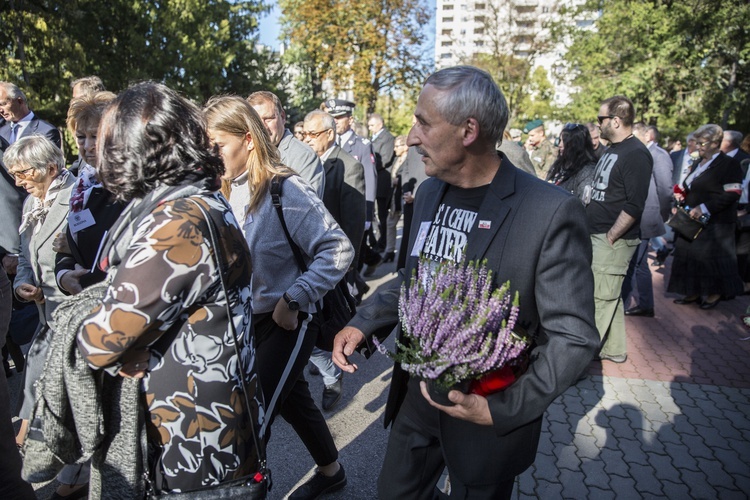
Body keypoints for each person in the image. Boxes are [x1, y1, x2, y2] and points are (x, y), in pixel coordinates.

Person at [332, 65, 599, 499]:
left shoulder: (549, 211)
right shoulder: (431, 191)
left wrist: (502, 409)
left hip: (486, 415)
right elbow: (414, 279)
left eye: (423, 122)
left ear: (468, 130)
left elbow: (572, 336)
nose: (412, 136)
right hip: (417, 398)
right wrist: (364, 320)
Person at [76, 82, 263, 494]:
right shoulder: (202, 199)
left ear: (135, 151)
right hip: (219, 431)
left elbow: (99, 341)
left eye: (109, 143)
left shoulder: (177, 223)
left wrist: (124, 343)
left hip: (196, 448)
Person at [204, 95, 353, 499]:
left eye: (217, 144)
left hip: (285, 323)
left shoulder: (285, 188)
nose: (210, 154)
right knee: (294, 400)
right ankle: (332, 472)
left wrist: (295, 297)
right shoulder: (216, 192)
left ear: (249, 139)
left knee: (251, 424)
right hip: (239, 325)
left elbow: (338, 248)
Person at [5, 136, 82, 497]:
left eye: (23, 173)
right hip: (46, 315)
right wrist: (24, 283)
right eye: (13, 174)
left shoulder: (78, 196)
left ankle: (70, 482)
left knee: (68, 400)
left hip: (76, 316)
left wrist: (61, 283)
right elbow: (24, 257)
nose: (18, 181)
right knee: (37, 389)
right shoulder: (32, 201)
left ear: (50, 167)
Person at [302, 109, 367, 410]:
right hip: (308, 255)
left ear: (329, 133)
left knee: (325, 317)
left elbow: (354, 219)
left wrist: (348, 263)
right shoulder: (303, 162)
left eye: (313, 134)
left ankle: (332, 372)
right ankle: (323, 358)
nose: (307, 139)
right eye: (304, 134)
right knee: (313, 318)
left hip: (333, 258)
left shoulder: (348, 165)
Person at [586, 96, 652, 364]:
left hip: (612, 239)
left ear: (615, 120)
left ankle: (582, 358)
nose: (598, 123)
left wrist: (612, 235)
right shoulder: (613, 148)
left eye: (601, 118)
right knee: (609, 295)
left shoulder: (636, 154)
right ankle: (613, 349)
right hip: (598, 234)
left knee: (600, 299)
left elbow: (635, 204)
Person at [667, 124, 743, 309]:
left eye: (702, 143)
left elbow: (733, 192)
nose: (698, 147)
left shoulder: (728, 164)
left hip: (716, 222)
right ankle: (691, 291)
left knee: (710, 260)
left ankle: (714, 293)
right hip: (692, 221)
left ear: (715, 143)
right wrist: (682, 196)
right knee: (689, 257)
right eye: (696, 142)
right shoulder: (698, 162)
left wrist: (705, 207)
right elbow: (694, 186)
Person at [55, 91, 123, 294]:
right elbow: (66, 245)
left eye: (95, 136)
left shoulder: (130, 186)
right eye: (81, 137)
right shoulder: (83, 186)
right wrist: (63, 276)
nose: (87, 146)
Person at [621, 124, 673, 318]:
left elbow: (665, 189)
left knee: (632, 264)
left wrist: (661, 214)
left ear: (647, 135)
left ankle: (623, 304)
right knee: (641, 264)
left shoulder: (658, 155)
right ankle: (646, 304)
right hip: (638, 215)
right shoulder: (636, 153)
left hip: (646, 217)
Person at [326, 99, 380, 276]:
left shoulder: (362, 145)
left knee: (353, 251)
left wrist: (368, 213)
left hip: (354, 208)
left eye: (339, 118)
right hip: (334, 207)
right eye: (332, 118)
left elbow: (370, 180)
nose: (335, 122)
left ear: (350, 120)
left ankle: (356, 287)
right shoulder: (328, 142)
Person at [247, 91, 325, 198]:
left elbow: (305, 209)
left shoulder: (304, 157)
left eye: (268, 119)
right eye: (256, 121)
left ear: (283, 117)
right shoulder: (246, 153)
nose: (262, 127)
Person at [545, 122, 597, 202]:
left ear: (576, 144)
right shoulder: (559, 165)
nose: (560, 145)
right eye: (560, 140)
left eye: (564, 141)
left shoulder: (587, 171)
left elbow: (583, 203)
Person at [0, 82, 61, 148]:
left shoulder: (46, 132)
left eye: (3, 104)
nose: (1, 110)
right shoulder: (2, 132)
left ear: (20, 101)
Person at [368, 113, 396, 251]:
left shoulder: (388, 138)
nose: (369, 127)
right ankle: (377, 241)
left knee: (382, 215)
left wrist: (368, 165)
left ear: (380, 124)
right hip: (374, 181)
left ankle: (383, 243)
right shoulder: (373, 138)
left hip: (382, 183)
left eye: (372, 125)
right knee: (375, 216)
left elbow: (385, 159)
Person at [383, 135, 408, 263]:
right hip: (394, 196)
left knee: (406, 227)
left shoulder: (409, 160)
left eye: (397, 146)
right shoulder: (396, 160)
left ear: (405, 146)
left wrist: (400, 180)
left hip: (404, 196)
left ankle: (404, 255)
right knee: (390, 223)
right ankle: (389, 250)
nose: (394, 149)